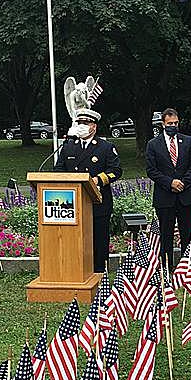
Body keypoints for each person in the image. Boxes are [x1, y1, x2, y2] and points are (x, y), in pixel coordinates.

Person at [54, 108, 122, 273]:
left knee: (98, 240)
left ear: (94, 127)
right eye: (80, 123)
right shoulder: (69, 146)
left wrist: (98, 179)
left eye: (86, 123)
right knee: (74, 239)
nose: (82, 126)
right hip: (72, 203)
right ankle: (76, 270)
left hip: (97, 203)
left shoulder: (105, 147)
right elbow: (58, 169)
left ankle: (100, 272)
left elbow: (116, 170)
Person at [145, 108, 191, 271]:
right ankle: (166, 267)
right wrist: (170, 183)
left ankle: (187, 266)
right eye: (170, 123)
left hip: (186, 194)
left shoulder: (188, 141)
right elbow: (151, 170)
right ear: (163, 124)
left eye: (175, 123)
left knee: (186, 233)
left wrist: (183, 182)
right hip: (165, 196)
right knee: (166, 234)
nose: (173, 126)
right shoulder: (153, 144)